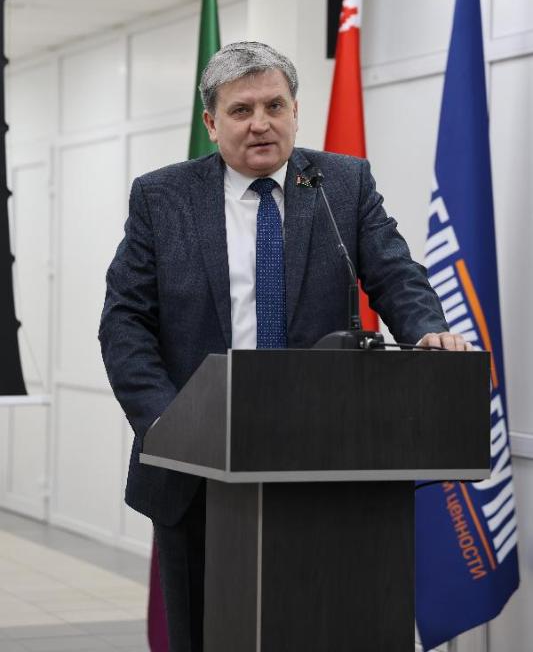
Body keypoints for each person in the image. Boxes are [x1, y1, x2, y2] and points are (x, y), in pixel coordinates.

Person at [99, 41, 470, 651]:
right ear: (211, 122)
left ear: (296, 111)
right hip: (198, 464)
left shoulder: (341, 183)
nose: (261, 123)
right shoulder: (162, 197)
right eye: (241, 110)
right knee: (204, 633)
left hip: (329, 456)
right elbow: (124, 323)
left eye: (274, 106)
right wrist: (166, 423)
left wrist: (427, 330)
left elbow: (396, 275)